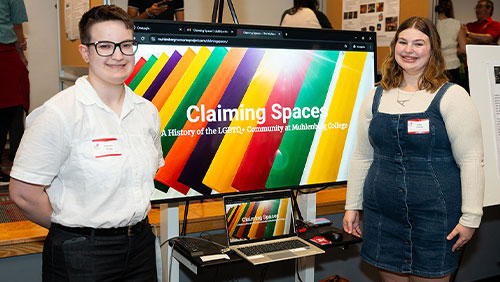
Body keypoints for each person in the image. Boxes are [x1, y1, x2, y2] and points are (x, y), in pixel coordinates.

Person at [9, 5, 163, 282]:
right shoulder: (59, 114)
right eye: (105, 45)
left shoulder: (147, 112)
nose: (118, 55)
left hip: (140, 246)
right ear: (85, 52)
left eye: (126, 45)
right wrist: (73, 227)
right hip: (81, 253)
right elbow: (23, 194)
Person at [343, 16, 484, 281]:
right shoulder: (375, 96)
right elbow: (362, 155)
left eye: (419, 43)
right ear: (394, 46)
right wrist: (352, 206)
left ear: (433, 50)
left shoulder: (452, 96)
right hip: (383, 216)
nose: (409, 50)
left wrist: (471, 218)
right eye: (403, 42)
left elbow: (472, 159)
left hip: (436, 219)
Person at [0, 0, 29, 184]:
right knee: (9, 108)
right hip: (4, 54)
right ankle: (16, 157)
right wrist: (21, 53)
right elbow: (17, 25)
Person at [435, 0, 466, 87]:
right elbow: (463, 48)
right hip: (453, 65)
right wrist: (452, 50)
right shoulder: (456, 24)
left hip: (435, 66)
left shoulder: (430, 22)